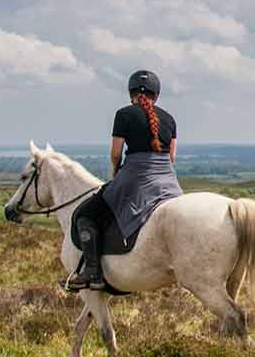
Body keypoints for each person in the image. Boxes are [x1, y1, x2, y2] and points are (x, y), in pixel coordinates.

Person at [66, 70, 184, 290]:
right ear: (156, 95)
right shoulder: (169, 119)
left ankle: (93, 273)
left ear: (130, 93)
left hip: (134, 178)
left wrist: (115, 172)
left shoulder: (124, 114)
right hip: (168, 182)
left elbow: (115, 154)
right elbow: (172, 157)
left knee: (85, 215)